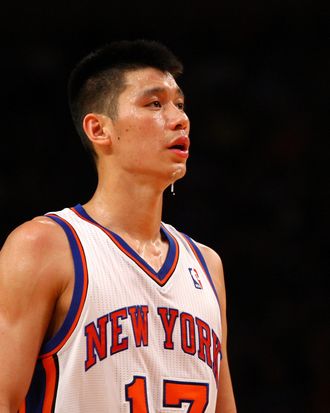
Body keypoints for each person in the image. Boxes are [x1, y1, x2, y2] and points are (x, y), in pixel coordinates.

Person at [0, 39, 236, 412]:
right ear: (98, 130)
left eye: (180, 104)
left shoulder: (208, 265)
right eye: (154, 104)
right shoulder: (44, 246)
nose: (179, 118)